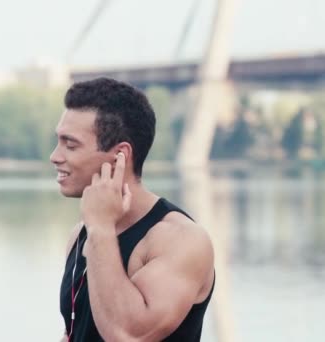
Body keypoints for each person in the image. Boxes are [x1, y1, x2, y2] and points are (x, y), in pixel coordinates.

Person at [50, 77, 215, 341]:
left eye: (70, 145)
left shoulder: (181, 240)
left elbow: (126, 334)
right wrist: (97, 228)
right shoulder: (82, 233)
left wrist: (101, 227)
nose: (55, 156)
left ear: (120, 156)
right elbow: (75, 333)